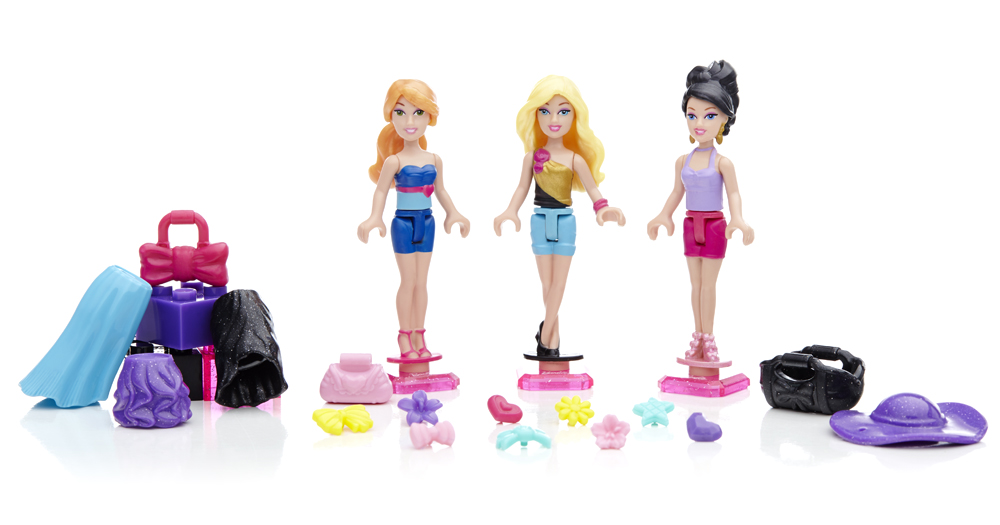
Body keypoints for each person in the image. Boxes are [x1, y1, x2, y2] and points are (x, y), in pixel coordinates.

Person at [494, 75, 624, 356]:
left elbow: (592, 188)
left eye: (563, 111)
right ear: (535, 115)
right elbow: (521, 188)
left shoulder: (575, 158)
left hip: (565, 221)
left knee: (559, 282)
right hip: (539, 220)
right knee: (546, 283)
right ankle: (552, 341)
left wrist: (603, 208)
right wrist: (510, 211)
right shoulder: (531, 157)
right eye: (545, 111)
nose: (553, 119)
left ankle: (546, 337)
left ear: (575, 116)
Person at [647, 61, 754, 362]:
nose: (699, 123)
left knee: (708, 286)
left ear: (724, 119)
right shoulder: (682, 161)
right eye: (692, 115)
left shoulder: (723, 163)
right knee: (695, 286)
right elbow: (677, 192)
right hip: (689, 225)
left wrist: (738, 219)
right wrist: (663, 215)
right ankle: (697, 337)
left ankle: (709, 338)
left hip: (715, 226)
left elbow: (733, 193)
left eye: (709, 116)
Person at [358, 79, 470, 358]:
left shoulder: (434, 159)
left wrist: (453, 212)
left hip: (428, 223)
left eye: (418, 112)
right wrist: (374, 217)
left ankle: (420, 335)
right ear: (391, 116)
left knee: (422, 282)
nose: (410, 121)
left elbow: (441, 190)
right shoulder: (393, 161)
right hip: (403, 224)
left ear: (429, 117)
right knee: (408, 281)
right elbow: (381, 190)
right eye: (400, 112)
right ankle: (404, 338)